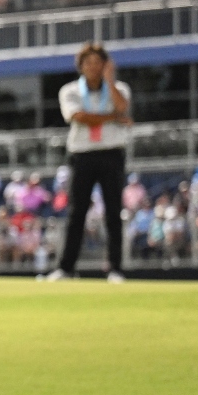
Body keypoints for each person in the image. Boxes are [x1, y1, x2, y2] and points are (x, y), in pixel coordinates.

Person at [50, 44, 133, 283]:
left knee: (113, 212)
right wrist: (114, 119)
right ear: (81, 66)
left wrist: (110, 80)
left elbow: (122, 106)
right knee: (77, 212)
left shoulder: (119, 88)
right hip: (82, 154)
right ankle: (66, 268)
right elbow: (79, 118)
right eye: (88, 63)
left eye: (98, 63)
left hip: (112, 153)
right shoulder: (71, 90)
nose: (93, 67)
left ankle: (115, 268)